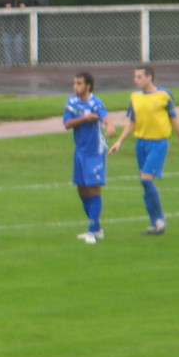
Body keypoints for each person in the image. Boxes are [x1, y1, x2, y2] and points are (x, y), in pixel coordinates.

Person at [108, 65, 179, 234]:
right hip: (141, 143)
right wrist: (119, 141)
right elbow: (132, 122)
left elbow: (175, 122)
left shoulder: (164, 96)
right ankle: (155, 223)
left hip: (158, 143)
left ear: (149, 77)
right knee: (145, 182)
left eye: (139, 77)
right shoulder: (135, 97)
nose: (136, 80)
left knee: (146, 179)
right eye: (135, 77)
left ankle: (159, 220)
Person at [63, 72, 115, 244]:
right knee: (82, 190)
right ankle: (97, 228)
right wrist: (85, 118)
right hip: (80, 152)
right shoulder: (72, 102)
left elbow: (105, 116)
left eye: (78, 83)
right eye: (74, 83)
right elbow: (67, 124)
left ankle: (92, 231)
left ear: (88, 86)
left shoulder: (95, 102)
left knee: (93, 189)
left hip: (95, 152)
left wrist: (110, 125)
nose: (75, 87)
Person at [0, 0, 26, 67]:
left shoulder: (23, 0)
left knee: (19, 49)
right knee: (8, 50)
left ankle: (21, 66)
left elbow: (27, 14)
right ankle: (10, 66)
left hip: (18, 30)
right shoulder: (5, 0)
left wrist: (24, 8)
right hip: (7, 30)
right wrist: (5, 9)